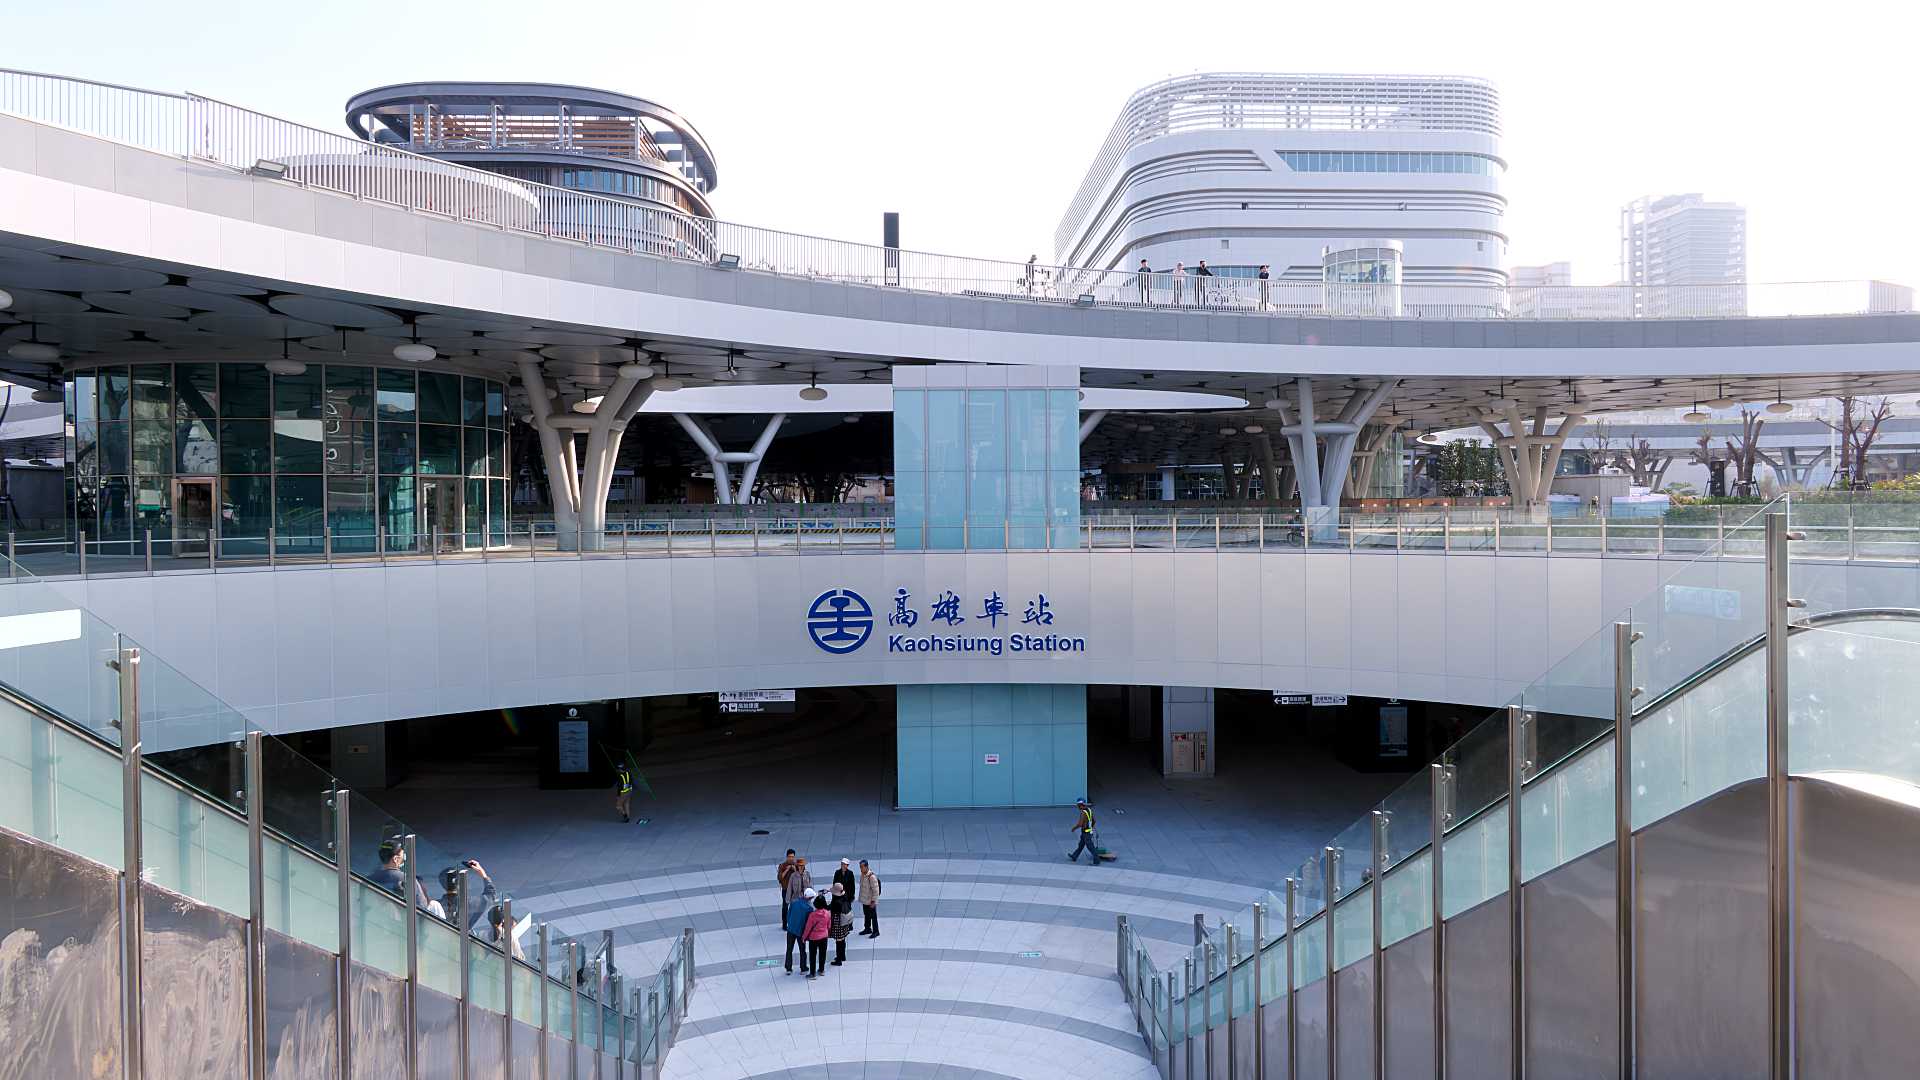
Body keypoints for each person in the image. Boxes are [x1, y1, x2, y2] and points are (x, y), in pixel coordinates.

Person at [439, 860, 500, 929]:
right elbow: (491, 895)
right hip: (462, 939)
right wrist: (482, 873)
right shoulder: (469, 903)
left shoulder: (437, 905)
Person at [785, 887, 817, 975]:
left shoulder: (794, 902)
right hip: (800, 931)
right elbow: (808, 923)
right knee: (802, 950)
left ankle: (788, 968)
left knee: (789, 949)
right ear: (810, 898)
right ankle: (803, 967)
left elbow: (788, 915)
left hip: (791, 929)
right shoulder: (809, 908)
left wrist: (790, 924)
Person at [803, 893, 832, 979]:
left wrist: (804, 937)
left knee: (813, 955)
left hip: (814, 937)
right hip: (824, 936)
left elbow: (808, 928)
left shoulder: (812, 915)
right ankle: (821, 970)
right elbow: (829, 925)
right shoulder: (827, 913)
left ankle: (812, 973)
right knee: (822, 954)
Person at [1066, 799, 1100, 865]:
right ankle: (1074, 856)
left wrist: (1074, 828)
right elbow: (1094, 820)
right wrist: (1091, 827)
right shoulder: (1089, 810)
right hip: (1088, 831)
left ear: (1081, 805)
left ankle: (1097, 861)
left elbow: (1080, 824)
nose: (1077, 807)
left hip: (1086, 833)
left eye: (1078, 805)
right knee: (1081, 845)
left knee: (1090, 847)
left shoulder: (1083, 813)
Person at [828, 882, 854, 966]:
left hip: (838, 922)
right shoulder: (845, 897)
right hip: (845, 921)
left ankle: (838, 960)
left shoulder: (836, 901)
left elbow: (829, 907)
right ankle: (843, 956)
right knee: (842, 939)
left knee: (838, 941)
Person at [858, 859, 882, 938]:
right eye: (860, 867)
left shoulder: (871, 877)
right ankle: (867, 928)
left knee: (873, 916)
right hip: (865, 900)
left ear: (866, 867)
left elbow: (876, 890)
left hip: (871, 901)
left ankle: (876, 931)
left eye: (862, 867)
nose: (861, 869)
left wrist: (873, 901)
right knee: (866, 915)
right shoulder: (863, 875)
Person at [776, 850, 800, 925]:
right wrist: (787, 869)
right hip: (786, 889)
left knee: (795, 906)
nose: (791, 858)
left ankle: (793, 922)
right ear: (787, 857)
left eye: (792, 857)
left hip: (794, 890)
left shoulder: (797, 865)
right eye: (789, 857)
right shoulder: (782, 866)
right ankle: (784, 923)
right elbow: (780, 878)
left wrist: (795, 870)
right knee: (785, 906)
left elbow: (800, 877)